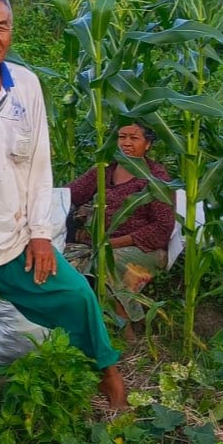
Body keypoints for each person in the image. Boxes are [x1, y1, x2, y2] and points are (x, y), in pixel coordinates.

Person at [0, 0, 127, 415]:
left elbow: (39, 164)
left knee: (74, 296)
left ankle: (109, 376)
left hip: (12, 233)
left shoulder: (25, 84)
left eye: (1, 27)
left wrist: (40, 234)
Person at [65, 122, 175, 326]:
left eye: (134, 138)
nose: (126, 143)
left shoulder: (156, 178)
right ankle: (81, 326)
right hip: (95, 244)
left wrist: (110, 244)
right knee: (62, 267)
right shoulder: (105, 170)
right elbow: (70, 193)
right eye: (122, 137)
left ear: (148, 144)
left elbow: (162, 227)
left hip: (140, 248)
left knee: (105, 263)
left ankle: (124, 329)